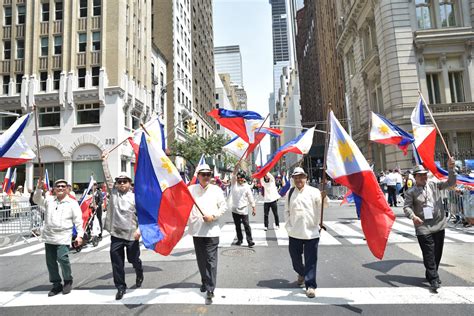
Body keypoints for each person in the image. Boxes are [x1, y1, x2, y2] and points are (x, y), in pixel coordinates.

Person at [403, 159, 456, 292]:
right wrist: (413, 216)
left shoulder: (433, 184)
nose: (423, 177)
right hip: (423, 227)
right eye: (420, 175)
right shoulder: (411, 192)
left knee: (437, 253)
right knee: (429, 253)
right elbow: (407, 207)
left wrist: (451, 169)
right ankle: (434, 279)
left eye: (425, 174)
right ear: (415, 177)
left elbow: (451, 183)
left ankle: (431, 273)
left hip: (439, 224)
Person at [102, 153, 143, 300]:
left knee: (133, 260)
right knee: (117, 264)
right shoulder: (113, 193)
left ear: (130, 183)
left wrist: (139, 230)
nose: (121, 183)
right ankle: (120, 287)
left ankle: (139, 270)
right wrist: (104, 161)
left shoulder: (135, 197)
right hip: (116, 235)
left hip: (132, 234)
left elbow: (142, 216)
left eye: (124, 181)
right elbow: (107, 177)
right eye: (119, 181)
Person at [33, 178, 83, 297]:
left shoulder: (72, 203)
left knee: (62, 258)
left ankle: (67, 280)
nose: (60, 188)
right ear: (54, 189)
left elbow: (78, 221)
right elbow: (36, 200)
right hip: (49, 236)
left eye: (63, 186)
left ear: (67, 189)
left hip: (63, 235)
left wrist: (80, 236)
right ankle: (56, 284)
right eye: (58, 186)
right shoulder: (49, 200)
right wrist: (39, 188)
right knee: (50, 262)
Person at [285, 167, 328, 298]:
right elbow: (286, 211)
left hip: (312, 232)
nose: (299, 179)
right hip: (294, 232)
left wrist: (324, 197)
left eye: (301, 177)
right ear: (293, 179)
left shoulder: (314, 191)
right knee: (295, 258)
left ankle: (310, 285)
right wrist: (288, 225)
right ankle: (301, 273)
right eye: (296, 177)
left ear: (306, 178)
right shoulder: (290, 192)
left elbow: (323, 206)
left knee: (311, 260)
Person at [188, 164, 227, 304]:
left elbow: (223, 207)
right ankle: (204, 280)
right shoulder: (190, 189)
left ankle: (210, 288)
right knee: (201, 260)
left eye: (208, 174)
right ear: (197, 175)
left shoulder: (216, 190)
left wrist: (213, 216)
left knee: (211, 261)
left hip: (212, 230)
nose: (205, 177)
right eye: (203, 174)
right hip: (197, 230)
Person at [230, 170, 256, 247]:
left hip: (244, 209)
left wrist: (253, 207)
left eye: (241, 178)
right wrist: (236, 168)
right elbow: (233, 175)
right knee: (237, 226)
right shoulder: (234, 184)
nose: (239, 179)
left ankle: (250, 241)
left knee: (246, 225)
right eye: (238, 178)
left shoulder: (246, 187)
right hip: (235, 209)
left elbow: (250, 197)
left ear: (244, 178)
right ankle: (240, 239)